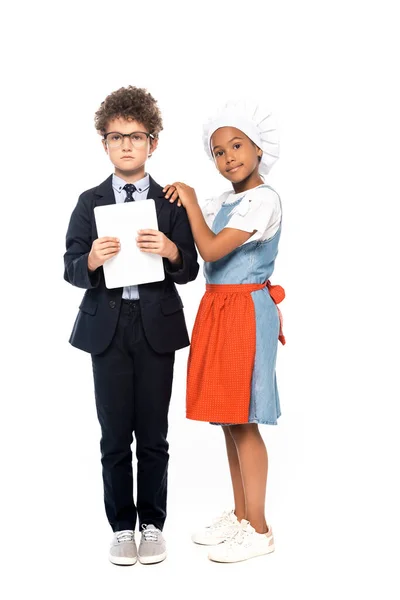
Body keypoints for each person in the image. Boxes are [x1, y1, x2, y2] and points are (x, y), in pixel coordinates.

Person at [64, 86, 199, 566]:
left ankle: (152, 523)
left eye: (136, 136)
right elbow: (70, 265)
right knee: (114, 432)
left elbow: (191, 269)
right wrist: (92, 261)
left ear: (152, 143)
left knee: (154, 432)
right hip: (109, 328)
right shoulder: (89, 201)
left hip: (157, 326)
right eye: (116, 137)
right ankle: (122, 526)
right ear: (104, 143)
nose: (126, 145)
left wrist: (172, 251)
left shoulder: (172, 202)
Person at [164, 99, 285, 563]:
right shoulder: (225, 201)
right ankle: (240, 515)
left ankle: (259, 529)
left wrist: (191, 201)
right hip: (217, 308)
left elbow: (212, 251)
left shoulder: (263, 199)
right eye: (218, 151)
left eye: (237, 145)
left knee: (246, 418)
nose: (228, 156)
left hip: (244, 310)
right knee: (229, 418)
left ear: (258, 150)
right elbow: (196, 241)